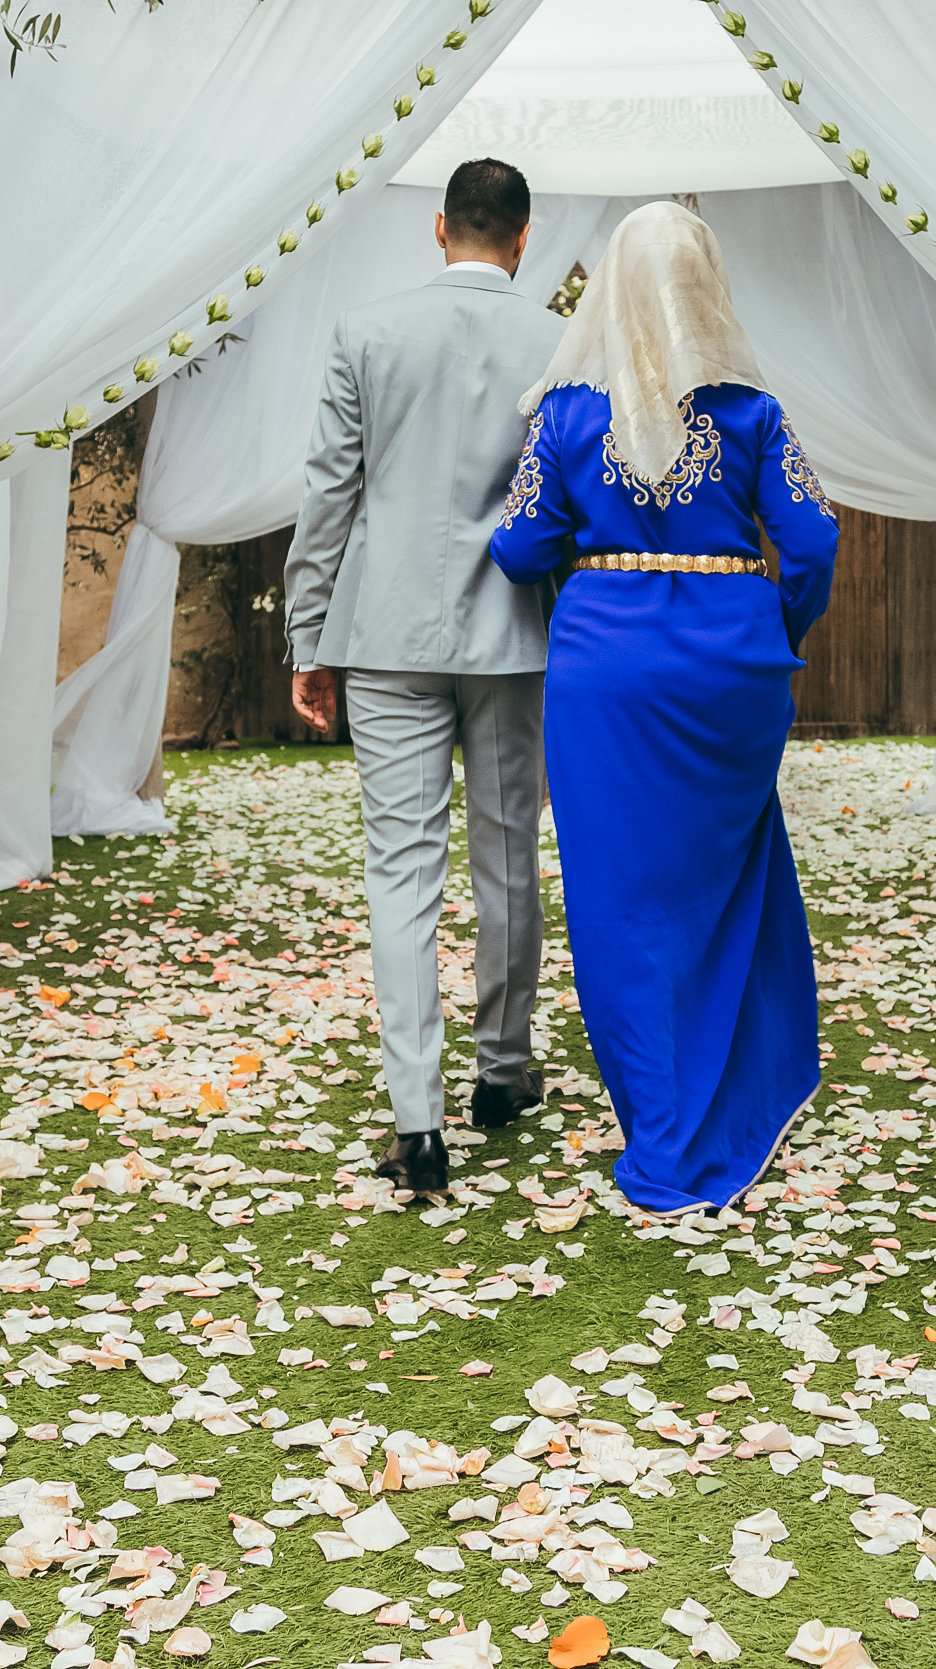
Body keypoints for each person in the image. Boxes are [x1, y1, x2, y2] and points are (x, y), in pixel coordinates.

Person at [488, 201, 840, 1215]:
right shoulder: (750, 411)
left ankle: (663, 1131)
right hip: (733, 669)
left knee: (619, 901)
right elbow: (812, 540)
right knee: (724, 879)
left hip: (605, 677)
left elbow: (516, 550)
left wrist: (588, 546)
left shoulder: (564, 414)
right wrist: (779, 626)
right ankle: (729, 1094)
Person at [285, 157, 560, 1199]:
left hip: (389, 633)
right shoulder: (556, 343)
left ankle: (419, 1124)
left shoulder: (367, 332)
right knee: (507, 859)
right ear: (523, 238)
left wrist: (311, 637)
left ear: (441, 228)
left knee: (400, 873)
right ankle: (503, 1071)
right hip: (511, 631)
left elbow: (329, 495)